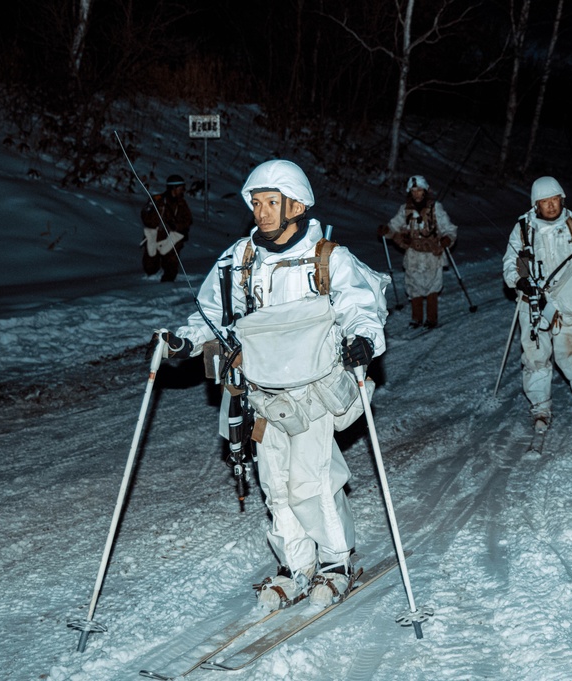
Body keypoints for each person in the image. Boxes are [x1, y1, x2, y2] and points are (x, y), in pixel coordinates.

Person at [157, 159, 389, 609]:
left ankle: (335, 562)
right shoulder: (241, 259)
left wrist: (363, 339)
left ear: (297, 204)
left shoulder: (327, 257)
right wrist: (186, 340)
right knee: (275, 483)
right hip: (261, 392)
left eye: (271, 203)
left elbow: (360, 304)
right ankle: (296, 565)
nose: (261, 212)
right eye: (256, 203)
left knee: (312, 480)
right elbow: (212, 314)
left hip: (314, 389)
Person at [502, 176, 572, 434]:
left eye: (555, 200)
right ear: (536, 204)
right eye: (545, 202)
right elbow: (509, 262)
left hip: (566, 302)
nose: (550, 206)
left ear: (562, 200)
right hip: (533, 304)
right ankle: (540, 407)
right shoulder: (523, 227)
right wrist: (518, 281)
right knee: (535, 356)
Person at [377, 175, 458, 329]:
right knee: (413, 285)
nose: (416, 194)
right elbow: (394, 226)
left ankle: (432, 319)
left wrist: (447, 238)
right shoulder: (405, 210)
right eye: (413, 191)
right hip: (413, 253)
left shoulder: (436, 208)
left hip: (432, 254)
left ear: (425, 191)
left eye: (419, 190)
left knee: (433, 284)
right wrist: (386, 230)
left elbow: (449, 228)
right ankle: (416, 318)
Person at [141, 174, 193, 282]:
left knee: (171, 267)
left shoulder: (182, 204)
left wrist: (176, 225)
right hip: (155, 236)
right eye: (181, 188)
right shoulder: (157, 200)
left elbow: (188, 220)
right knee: (150, 267)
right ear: (173, 188)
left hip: (172, 237)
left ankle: (166, 287)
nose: (183, 191)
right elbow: (145, 217)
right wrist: (158, 218)